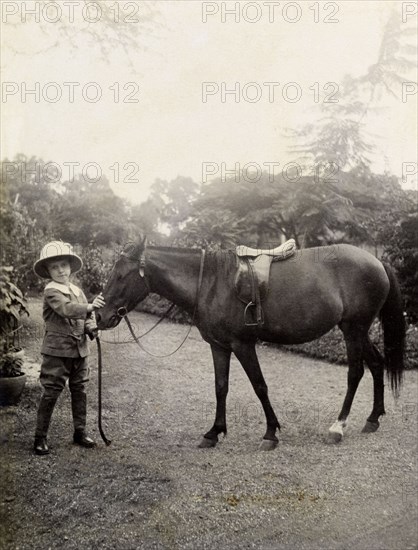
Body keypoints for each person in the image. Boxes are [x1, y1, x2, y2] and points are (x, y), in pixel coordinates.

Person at [33, 241, 105, 456]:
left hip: (80, 351)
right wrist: (90, 306)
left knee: (80, 390)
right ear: (47, 271)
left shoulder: (77, 290)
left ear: (71, 267)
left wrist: (93, 328)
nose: (61, 270)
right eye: (54, 267)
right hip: (57, 351)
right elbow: (66, 309)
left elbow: (86, 318)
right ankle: (40, 437)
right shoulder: (51, 291)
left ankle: (79, 432)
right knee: (51, 391)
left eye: (64, 265)